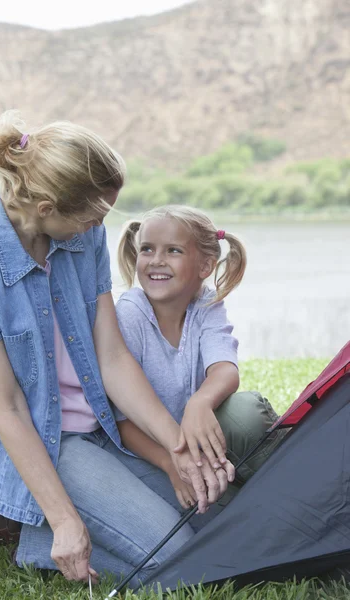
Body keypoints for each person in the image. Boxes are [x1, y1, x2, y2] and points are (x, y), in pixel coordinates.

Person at [0, 112, 230, 587]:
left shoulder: (83, 234)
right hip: (47, 442)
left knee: (215, 522)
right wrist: (64, 521)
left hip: (103, 426)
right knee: (183, 560)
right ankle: (38, 528)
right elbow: (9, 407)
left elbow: (112, 357)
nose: (101, 226)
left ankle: (33, 519)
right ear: (44, 207)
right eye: (93, 217)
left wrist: (176, 446)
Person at [115, 205, 285, 526]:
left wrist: (200, 401)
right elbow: (122, 424)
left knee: (246, 411)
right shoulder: (130, 313)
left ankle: (297, 484)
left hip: (198, 438)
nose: (156, 260)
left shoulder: (206, 304)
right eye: (147, 249)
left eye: (173, 250)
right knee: (234, 517)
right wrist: (171, 464)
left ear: (205, 265)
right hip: (152, 453)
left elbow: (225, 368)